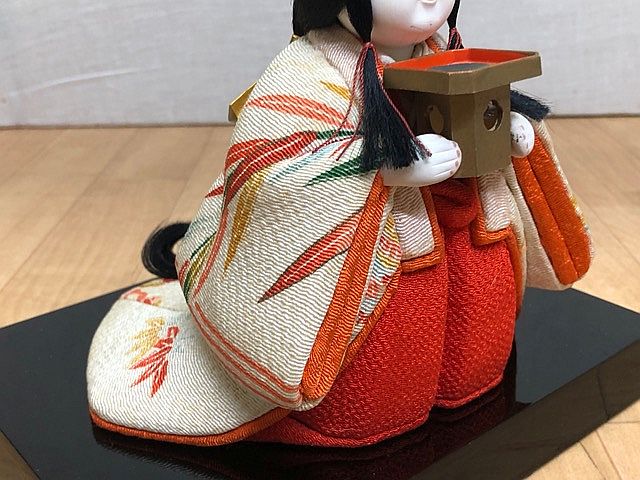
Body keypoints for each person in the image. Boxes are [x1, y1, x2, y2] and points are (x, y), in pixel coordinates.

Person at [87, 0, 592, 448]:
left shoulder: (447, 54)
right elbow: (268, 170)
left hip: (461, 233)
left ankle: (468, 383)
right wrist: (381, 166)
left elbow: (487, 122)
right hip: (378, 266)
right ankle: (353, 419)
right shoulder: (306, 70)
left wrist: (509, 132)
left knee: (477, 330)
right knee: (377, 392)